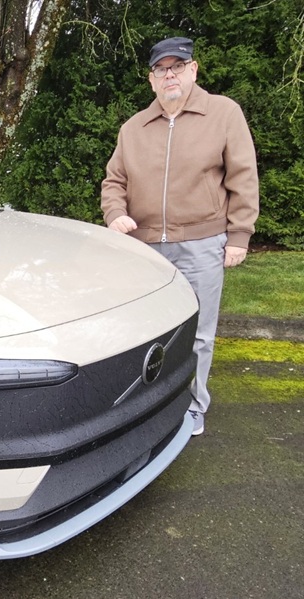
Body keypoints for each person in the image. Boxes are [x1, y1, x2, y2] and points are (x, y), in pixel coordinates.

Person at [101, 36, 260, 436]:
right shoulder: (133, 128)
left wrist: (239, 235)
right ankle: (144, 408)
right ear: (151, 79)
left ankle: (192, 407)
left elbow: (243, 177)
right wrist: (115, 214)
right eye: (161, 69)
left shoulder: (224, 113)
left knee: (197, 333)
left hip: (202, 244)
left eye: (177, 66)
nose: (169, 74)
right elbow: (114, 181)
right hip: (144, 249)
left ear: (193, 70)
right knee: (144, 334)